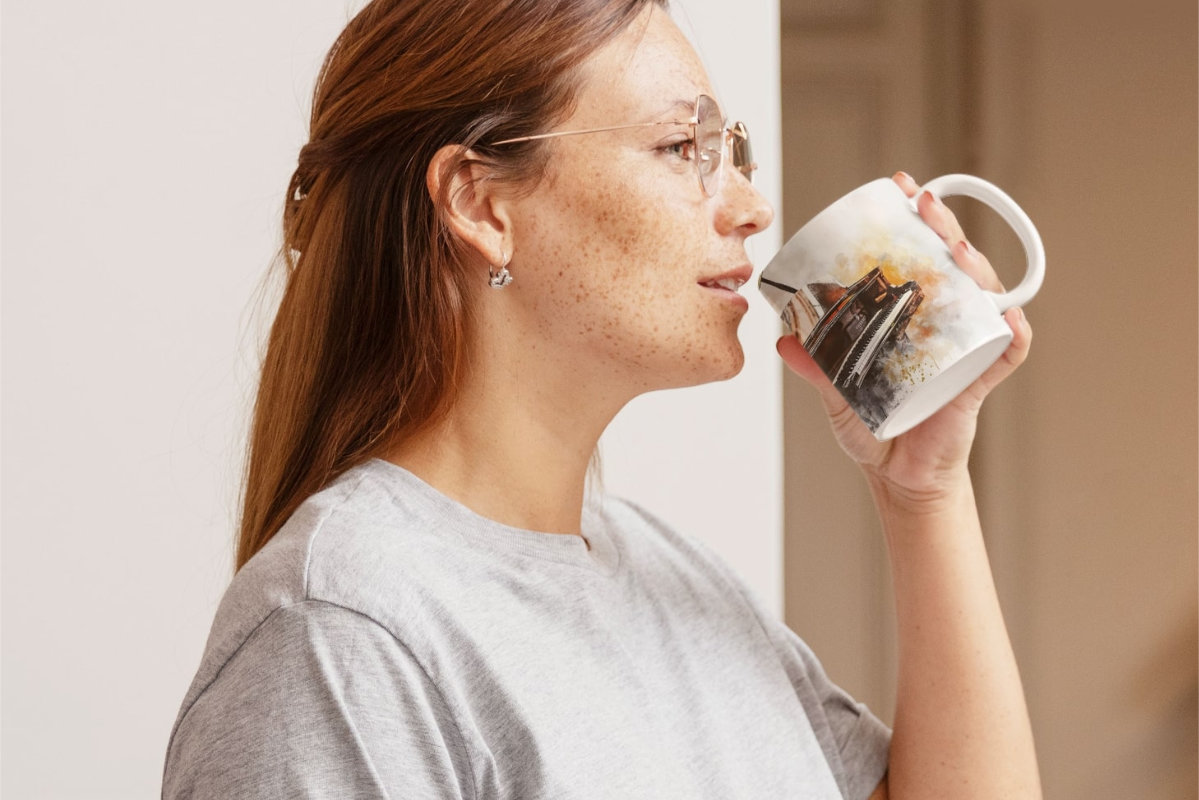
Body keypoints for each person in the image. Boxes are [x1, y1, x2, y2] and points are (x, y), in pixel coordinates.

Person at [161, 1, 1041, 797]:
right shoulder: (342, 635)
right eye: (680, 148)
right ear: (481, 204)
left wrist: (923, 492)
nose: (750, 206)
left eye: (729, 151)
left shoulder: (673, 573)